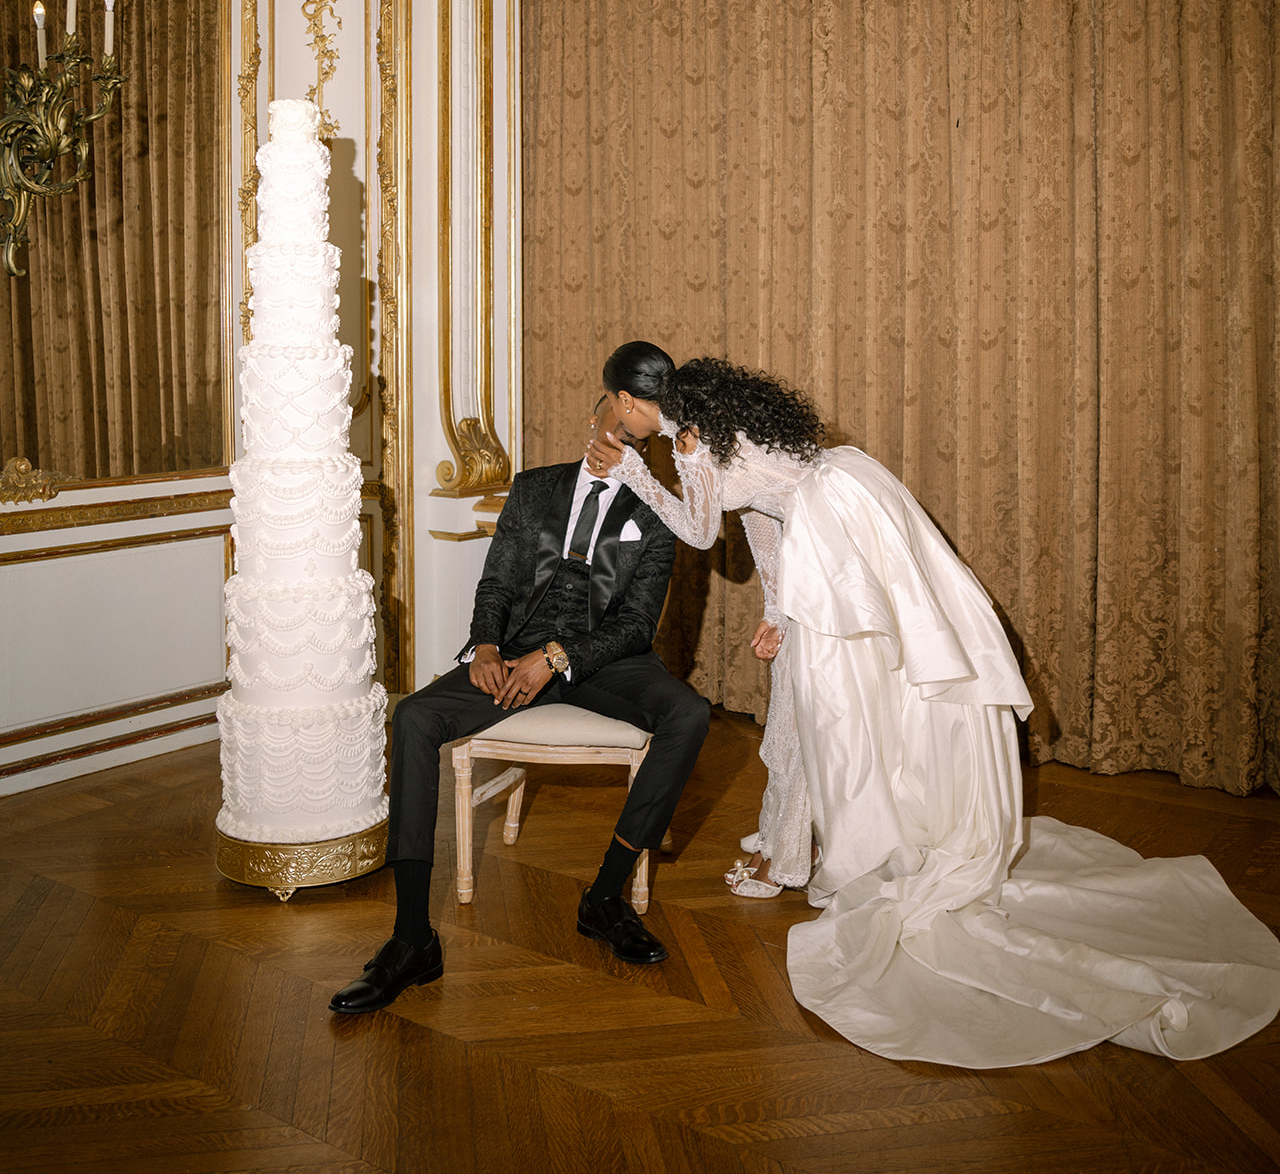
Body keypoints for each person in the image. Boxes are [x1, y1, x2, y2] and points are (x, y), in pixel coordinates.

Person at [587, 343, 1280, 1067]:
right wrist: (778, 605)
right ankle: (795, 843)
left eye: (614, 404)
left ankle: (793, 855)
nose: (615, 417)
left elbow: (702, 530)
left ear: (631, 402)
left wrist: (633, 471)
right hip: (835, 533)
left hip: (837, 544)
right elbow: (765, 510)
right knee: (813, 702)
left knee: (822, 714)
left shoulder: (692, 438)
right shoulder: (711, 415)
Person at [330, 396, 709, 1015]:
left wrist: (557, 656)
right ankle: (410, 939)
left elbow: (638, 626)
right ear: (591, 418)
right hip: (514, 653)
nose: (618, 442)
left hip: (603, 662)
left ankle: (605, 896)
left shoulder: (658, 514)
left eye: (635, 439)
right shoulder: (535, 489)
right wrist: (485, 645)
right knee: (415, 717)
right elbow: (498, 581)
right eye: (612, 427)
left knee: (688, 715)